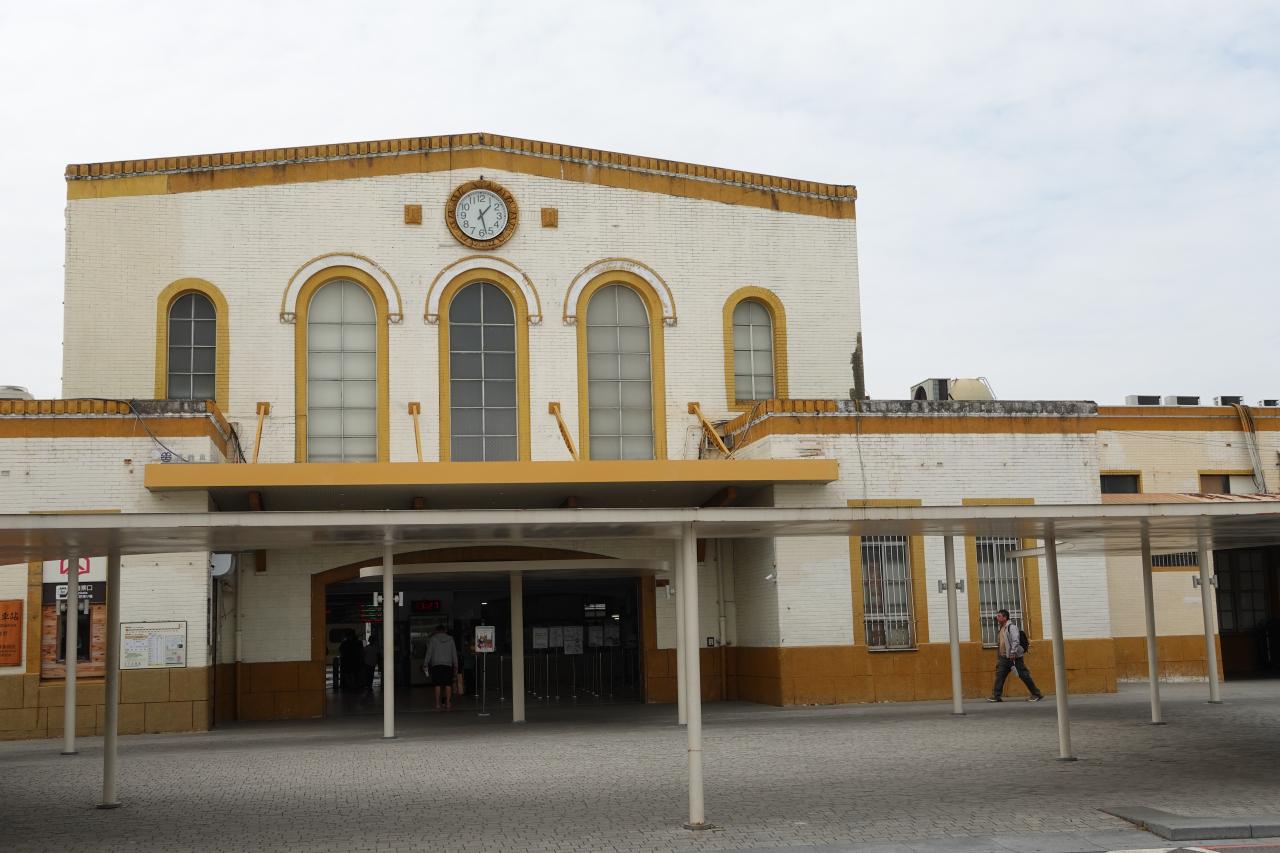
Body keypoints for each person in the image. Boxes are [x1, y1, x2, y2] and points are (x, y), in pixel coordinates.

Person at [988, 609, 1045, 703]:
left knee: (1024, 675)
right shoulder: (1002, 628)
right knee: (1000, 676)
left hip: (1014, 657)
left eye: (999, 616)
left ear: (1005, 617)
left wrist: (1013, 652)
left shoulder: (1011, 627)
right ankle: (996, 696)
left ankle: (1036, 694)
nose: (996, 617)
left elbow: (1015, 640)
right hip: (1004, 658)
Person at [423, 623, 460, 710]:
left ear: (436, 631)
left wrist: (425, 663)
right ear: (445, 630)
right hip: (448, 665)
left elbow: (429, 652)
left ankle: (437, 704)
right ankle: (448, 703)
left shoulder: (433, 639)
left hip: (436, 665)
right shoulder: (451, 639)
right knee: (448, 684)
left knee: (437, 685)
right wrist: (456, 665)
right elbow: (454, 653)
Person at [362, 632, 380, 698]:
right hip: (372, 663)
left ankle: (368, 685)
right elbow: (378, 655)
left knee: (368, 675)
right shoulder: (376, 648)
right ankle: (369, 686)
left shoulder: (367, 648)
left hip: (367, 663)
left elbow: (363, 655)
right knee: (371, 675)